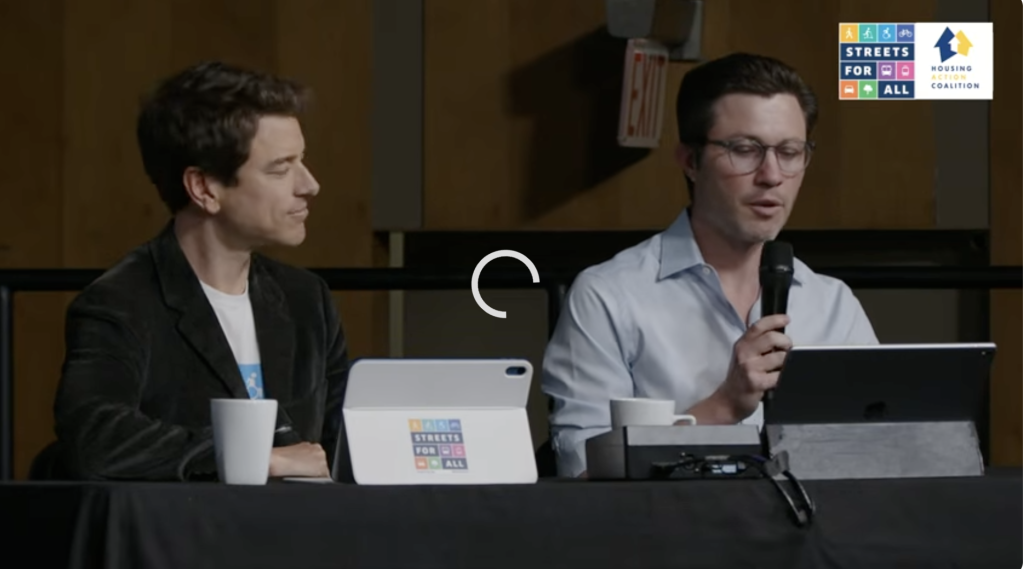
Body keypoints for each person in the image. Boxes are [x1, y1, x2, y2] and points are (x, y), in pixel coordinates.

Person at [541, 53, 879, 478]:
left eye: (790, 151)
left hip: (809, 537)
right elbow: (580, 470)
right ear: (690, 161)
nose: (772, 175)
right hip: (669, 538)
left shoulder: (833, 305)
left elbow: (879, 451)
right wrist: (722, 408)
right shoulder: (609, 296)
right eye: (744, 149)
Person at [51, 61, 349, 481]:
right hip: (190, 540)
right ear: (205, 188)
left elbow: (342, 448)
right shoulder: (120, 302)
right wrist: (255, 457)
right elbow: (94, 436)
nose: (310, 184)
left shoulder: (307, 299)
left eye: (302, 161)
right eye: (281, 168)